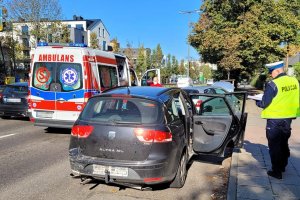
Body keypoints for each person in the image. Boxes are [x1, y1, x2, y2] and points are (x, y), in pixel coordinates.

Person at [256, 61, 299, 179]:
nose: (270, 75)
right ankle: (283, 165)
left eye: (271, 72)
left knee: (274, 145)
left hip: (274, 119)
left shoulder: (273, 84)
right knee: (283, 142)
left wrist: (257, 101)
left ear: (277, 71)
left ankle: (276, 171)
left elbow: (265, 102)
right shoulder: (294, 81)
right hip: (288, 118)